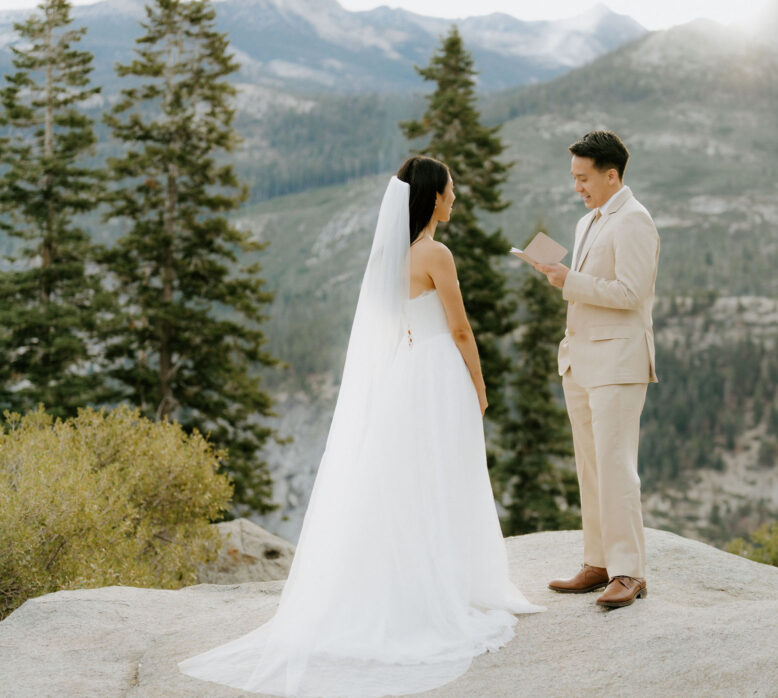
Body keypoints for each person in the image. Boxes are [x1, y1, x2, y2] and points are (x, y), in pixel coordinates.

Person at [179, 156, 543, 698]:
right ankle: (447, 585)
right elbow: (461, 329)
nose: (455, 198)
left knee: (407, 483)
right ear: (433, 198)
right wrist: (480, 385)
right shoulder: (436, 253)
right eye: (450, 190)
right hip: (440, 372)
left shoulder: (390, 255)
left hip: (405, 373)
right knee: (447, 475)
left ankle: (412, 583)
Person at [534, 130, 659, 609]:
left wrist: (569, 280)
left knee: (616, 466)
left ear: (611, 175)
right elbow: (589, 287)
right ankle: (599, 561)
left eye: (583, 178)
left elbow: (631, 293)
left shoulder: (635, 220)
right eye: (574, 178)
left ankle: (629, 572)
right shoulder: (588, 221)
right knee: (589, 466)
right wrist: (562, 277)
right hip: (580, 360)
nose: (577, 187)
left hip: (618, 363)